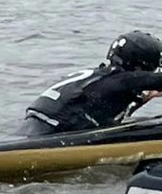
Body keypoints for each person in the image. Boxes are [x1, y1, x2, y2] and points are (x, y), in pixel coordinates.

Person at [19, 32, 162, 137]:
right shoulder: (120, 80)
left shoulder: (100, 77)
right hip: (49, 133)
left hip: (33, 128)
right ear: (139, 66)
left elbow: (98, 107)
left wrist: (145, 97)